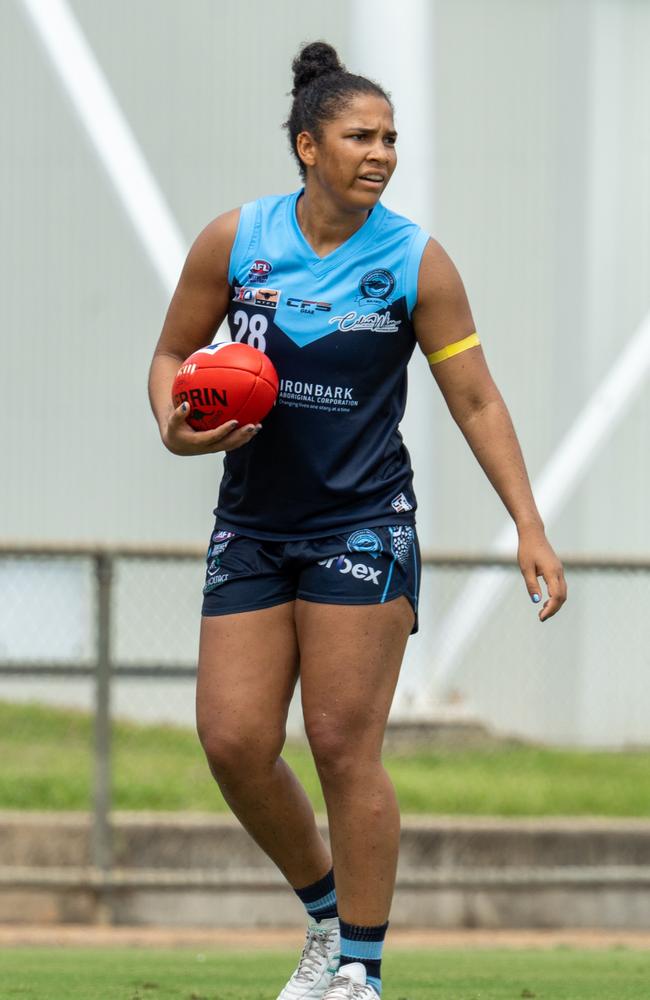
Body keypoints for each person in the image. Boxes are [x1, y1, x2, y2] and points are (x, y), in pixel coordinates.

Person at [148, 40, 567, 1000]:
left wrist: (528, 526)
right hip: (252, 525)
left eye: (389, 138)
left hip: (362, 525)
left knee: (341, 742)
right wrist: (177, 427)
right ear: (307, 145)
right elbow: (172, 356)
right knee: (234, 743)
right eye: (358, 136)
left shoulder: (417, 261)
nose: (380, 153)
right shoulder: (234, 240)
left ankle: (360, 974)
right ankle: (328, 918)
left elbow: (476, 402)